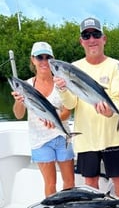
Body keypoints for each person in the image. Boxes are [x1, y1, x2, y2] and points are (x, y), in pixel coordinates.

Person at [54, 17, 119, 198]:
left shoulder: (116, 66)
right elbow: (71, 104)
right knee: (90, 181)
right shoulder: (74, 68)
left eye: (95, 34)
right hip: (86, 137)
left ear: (104, 38)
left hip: (113, 136)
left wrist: (112, 110)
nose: (91, 39)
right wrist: (62, 89)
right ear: (81, 41)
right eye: (86, 36)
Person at [11, 42, 75, 196]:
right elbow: (18, 115)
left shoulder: (60, 83)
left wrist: (56, 118)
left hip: (62, 136)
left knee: (70, 181)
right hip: (40, 140)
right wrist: (19, 102)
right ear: (33, 59)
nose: (44, 62)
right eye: (40, 57)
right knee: (50, 183)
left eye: (48, 58)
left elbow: (68, 110)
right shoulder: (26, 85)